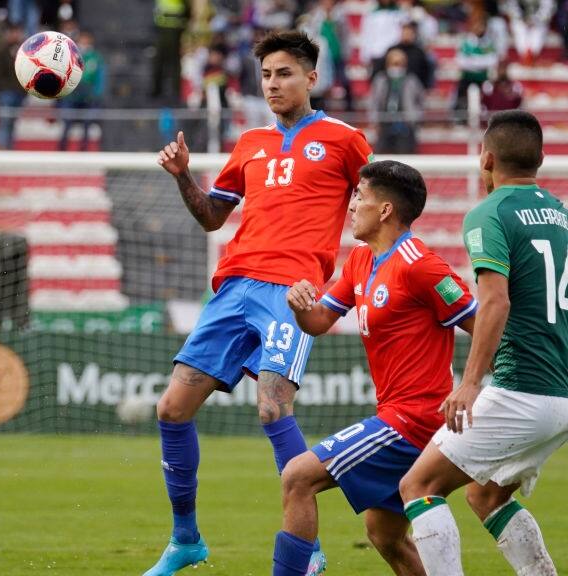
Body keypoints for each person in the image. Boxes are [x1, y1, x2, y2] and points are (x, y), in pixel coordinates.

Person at [144, 30, 372, 576]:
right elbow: (212, 216)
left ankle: (308, 548)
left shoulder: (344, 139)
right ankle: (186, 541)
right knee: (171, 410)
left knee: (271, 406)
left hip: (291, 292)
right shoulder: (249, 143)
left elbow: (379, 202)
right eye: (266, 75)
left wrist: (365, 275)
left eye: (285, 73)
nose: (273, 84)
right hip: (234, 287)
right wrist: (183, 178)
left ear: (311, 77)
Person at [272, 160, 477, 576]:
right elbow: (318, 322)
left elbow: (483, 322)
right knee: (384, 534)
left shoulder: (422, 265)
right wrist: (299, 306)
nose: (351, 206)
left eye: (359, 197)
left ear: (385, 210)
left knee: (298, 476)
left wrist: (472, 385)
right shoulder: (361, 262)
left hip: (416, 421)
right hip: (394, 416)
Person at [399, 110, 567, 576]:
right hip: (561, 393)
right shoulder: (563, 215)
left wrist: (470, 382)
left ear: (486, 158)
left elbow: (494, 302)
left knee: (419, 485)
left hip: (521, 388)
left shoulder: (489, 213)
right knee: (486, 494)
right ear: (541, 159)